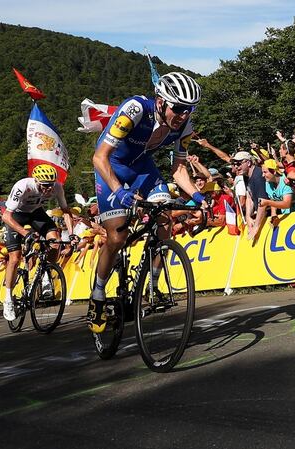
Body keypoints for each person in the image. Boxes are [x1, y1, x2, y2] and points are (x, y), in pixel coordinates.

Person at [88, 72, 207, 333]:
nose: (184, 115)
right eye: (179, 108)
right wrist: (118, 191)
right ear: (161, 102)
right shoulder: (135, 109)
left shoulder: (184, 126)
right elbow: (99, 158)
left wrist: (199, 198)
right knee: (117, 238)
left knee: (164, 215)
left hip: (143, 169)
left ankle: (151, 283)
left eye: (190, 109)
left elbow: (178, 169)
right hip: (112, 167)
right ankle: (97, 295)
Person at [1, 164, 75, 321]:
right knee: (15, 258)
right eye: (44, 186)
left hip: (36, 213)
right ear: (36, 181)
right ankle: (8, 298)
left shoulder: (57, 187)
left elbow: (66, 211)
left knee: (56, 241)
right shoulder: (23, 186)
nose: (48, 189)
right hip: (17, 216)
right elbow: (6, 216)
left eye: (50, 185)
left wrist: (73, 234)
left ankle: (46, 274)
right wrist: (25, 233)